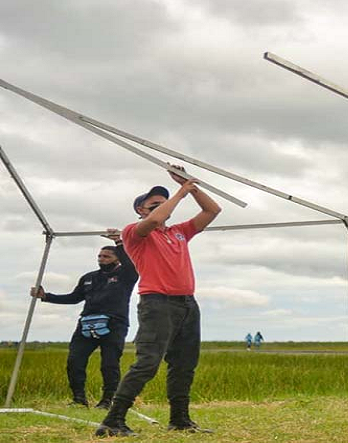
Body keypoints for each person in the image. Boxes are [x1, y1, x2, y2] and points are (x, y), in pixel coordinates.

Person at [96, 165, 221, 437]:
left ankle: (180, 419)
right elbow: (154, 221)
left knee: (185, 363)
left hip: (187, 304)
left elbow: (212, 211)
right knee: (147, 363)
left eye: (163, 203)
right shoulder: (135, 232)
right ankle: (113, 420)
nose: (161, 206)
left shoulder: (178, 232)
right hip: (157, 304)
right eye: (153, 203)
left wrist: (191, 186)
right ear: (141, 210)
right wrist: (180, 193)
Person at [30, 230, 138, 409]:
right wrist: (45, 296)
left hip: (114, 325)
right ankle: (79, 399)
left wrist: (120, 243)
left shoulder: (126, 275)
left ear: (117, 258)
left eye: (106, 256)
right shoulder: (88, 278)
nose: (101, 259)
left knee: (109, 364)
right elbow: (74, 298)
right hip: (86, 324)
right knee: (75, 361)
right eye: (99, 256)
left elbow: (131, 265)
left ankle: (107, 400)